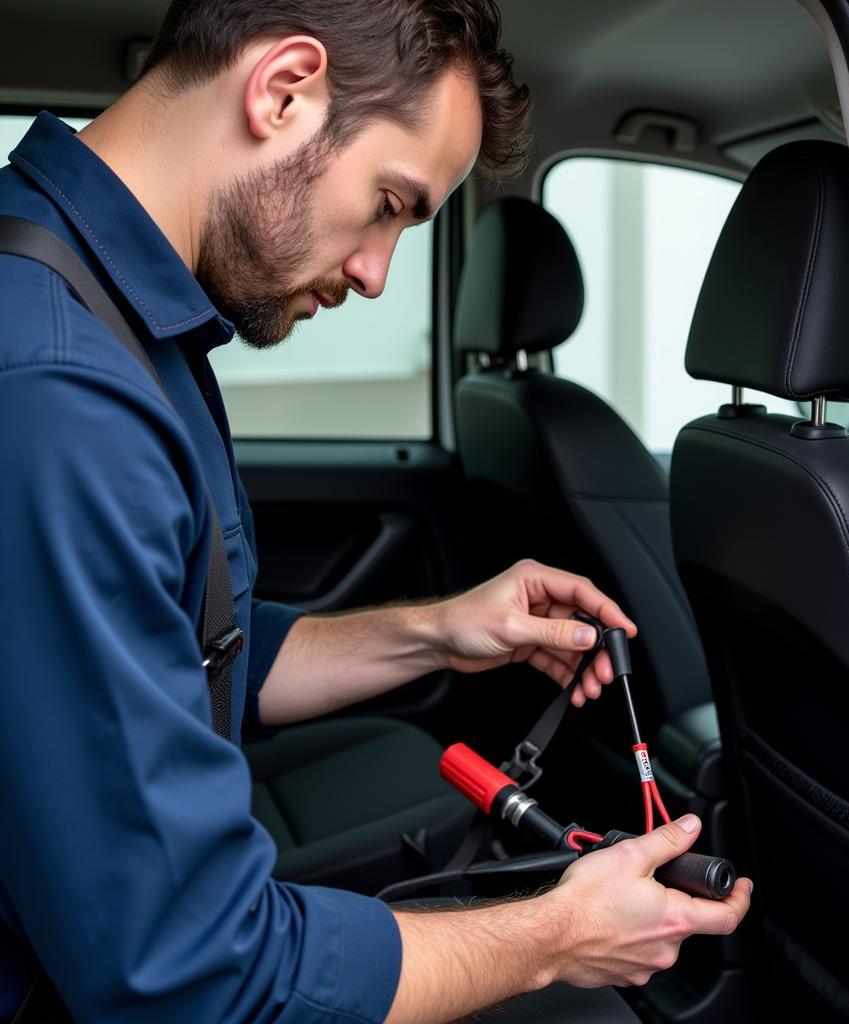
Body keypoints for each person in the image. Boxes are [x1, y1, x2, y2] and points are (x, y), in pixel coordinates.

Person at [0, 1, 752, 1021]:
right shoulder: (58, 391)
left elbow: (191, 646)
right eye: (390, 203)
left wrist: (439, 630)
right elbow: (190, 978)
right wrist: (559, 936)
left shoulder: (120, 319)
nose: (374, 271)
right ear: (283, 91)